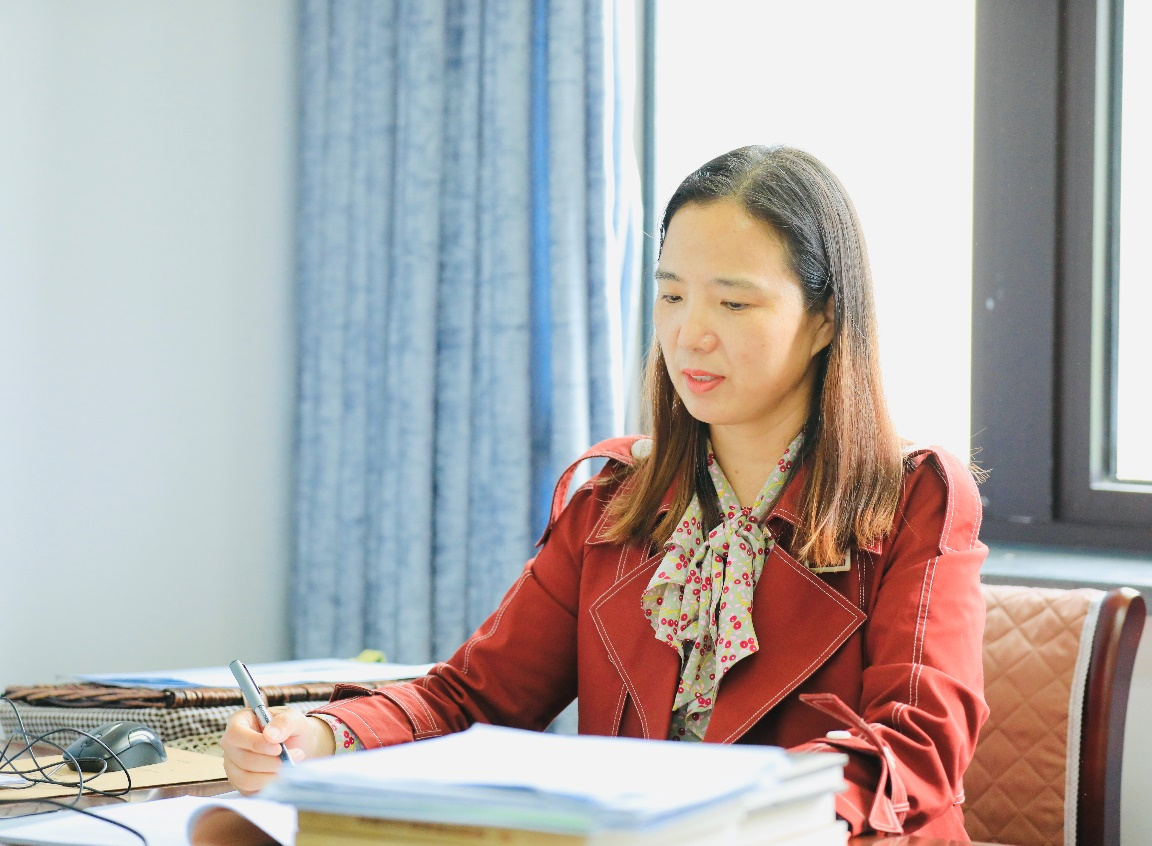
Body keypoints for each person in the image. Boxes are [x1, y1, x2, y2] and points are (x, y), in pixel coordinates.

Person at [220, 145, 989, 839]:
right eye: (671, 296)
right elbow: (473, 697)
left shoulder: (914, 496)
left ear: (824, 319)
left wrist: (747, 812)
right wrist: (322, 735)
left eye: (732, 302)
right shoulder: (616, 503)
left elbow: (919, 741)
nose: (690, 333)